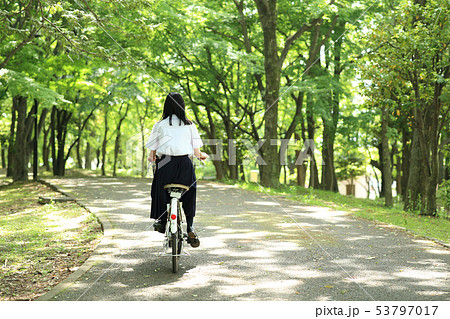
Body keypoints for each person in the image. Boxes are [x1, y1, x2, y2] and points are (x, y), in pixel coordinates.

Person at [146, 92, 207, 248]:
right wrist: (202, 156)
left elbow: (151, 155)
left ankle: (160, 219)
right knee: (191, 191)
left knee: (158, 188)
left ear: (166, 106)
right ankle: (191, 226)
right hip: (184, 166)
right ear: (182, 106)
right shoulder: (190, 125)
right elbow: (196, 153)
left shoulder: (159, 125)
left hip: (166, 164)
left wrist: (153, 157)